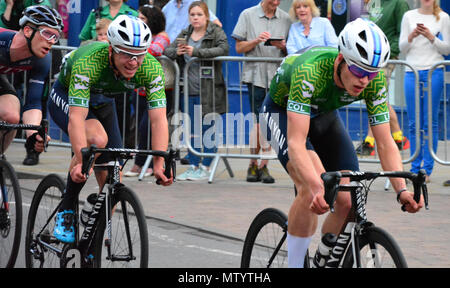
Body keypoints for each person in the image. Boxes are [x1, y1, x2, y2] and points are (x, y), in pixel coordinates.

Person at [260, 18, 424, 268]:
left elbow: (385, 141)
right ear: (340, 60)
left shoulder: (373, 81)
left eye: (370, 74)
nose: (364, 81)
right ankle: (294, 264)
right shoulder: (310, 71)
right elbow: (296, 143)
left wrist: (402, 190)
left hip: (323, 115)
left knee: (347, 197)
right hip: (280, 112)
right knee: (311, 185)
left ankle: (322, 259)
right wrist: (315, 187)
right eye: (358, 71)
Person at [47, 15, 173, 243]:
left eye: (139, 54)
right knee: (96, 139)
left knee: (114, 173)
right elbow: (76, 117)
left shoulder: (151, 68)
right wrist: (79, 156)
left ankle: (92, 230)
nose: (133, 62)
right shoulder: (90, 63)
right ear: (111, 50)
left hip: (103, 100)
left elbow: (158, 120)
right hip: (66, 95)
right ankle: (66, 211)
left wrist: (158, 163)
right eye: (126, 54)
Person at [164, 1, 229, 181]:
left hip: (210, 89)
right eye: (192, 15)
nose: (195, 18)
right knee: (192, 128)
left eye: (199, 14)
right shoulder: (186, 33)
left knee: (208, 128)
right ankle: (193, 165)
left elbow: (224, 49)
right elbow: (167, 50)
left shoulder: (215, 31)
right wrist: (178, 51)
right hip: (189, 88)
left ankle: (206, 167)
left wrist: (197, 52)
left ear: (206, 16)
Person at [231, 0, 292, 184]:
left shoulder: (286, 19)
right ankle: (252, 164)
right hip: (255, 76)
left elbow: (293, 49)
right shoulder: (247, 15)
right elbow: (239, 48)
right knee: (259, 121)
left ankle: (264, 165)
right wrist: (256, 40)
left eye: (278, 0)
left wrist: (284, 47)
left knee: (271, 121)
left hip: (277, 78)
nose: (276, 3)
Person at [399, 0, 450, 184]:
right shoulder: (409, 16)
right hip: (411, 71)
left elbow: (447, 49)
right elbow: (402, 48)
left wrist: (431, 36)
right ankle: (414, 168)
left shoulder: (443, 17)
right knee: (414, 122)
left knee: (430, 122)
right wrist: (412, 35)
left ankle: (426, 169)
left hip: (433, 71)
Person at [0, 5, 60, 157]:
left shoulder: (42, 60)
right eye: (47, 34)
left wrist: (33, 134)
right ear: (27, 31)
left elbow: (33, 102)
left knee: (12, 117)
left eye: (55, 36)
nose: (51, 41)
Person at [355, 0, 411, 156]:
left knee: (376, 96)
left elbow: (402, 33)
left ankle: (370, 142)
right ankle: (399, 138)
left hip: (386, 58)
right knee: (378, 97)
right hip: (370, 56)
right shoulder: (374, 2)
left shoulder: (399, 3)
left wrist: (387, 51)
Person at [125, 3, 171, 177]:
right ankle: (138, 163)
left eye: (142, 18)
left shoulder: (162, 36)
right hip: (140, 89)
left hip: (158, 88)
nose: (139, 21)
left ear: (152, 20)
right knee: (140, 128)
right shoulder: (144, 37)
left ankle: (151, 164)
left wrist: (134, 48)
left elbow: (155, 50)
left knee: (149, 127)